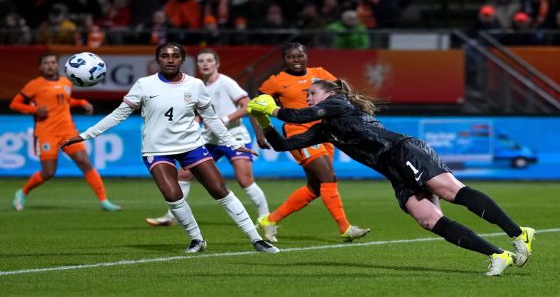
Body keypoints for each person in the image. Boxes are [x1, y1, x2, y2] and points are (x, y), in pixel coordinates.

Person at [247, 79, 535, 276]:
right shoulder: (326, 127)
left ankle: (518, 233)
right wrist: (263, 122)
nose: (308, 96)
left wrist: (270, 107)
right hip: (392, 170)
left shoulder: (340, 103)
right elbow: (284, 144)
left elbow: (298, 116)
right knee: (427, 219)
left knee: (449, 191)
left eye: (312, 93)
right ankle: (498, 255)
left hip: (403, 150)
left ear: (329, 94)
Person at [62, 42, 278, 254]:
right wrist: (86, 135)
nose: (170, 59)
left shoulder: (194, 85)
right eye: (165, 56)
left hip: (191, 146)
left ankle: (257, 240)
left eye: (175, 56)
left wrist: (233, 144)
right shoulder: (144, 84)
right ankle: (197, 239)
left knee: (219, 190)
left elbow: (211, 119)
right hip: (156, 149)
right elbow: (118, 114)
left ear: (182, 60)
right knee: (172, 194)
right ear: (157, 60)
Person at [254, 42, 370, 243]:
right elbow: (255, 106)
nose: (296, 60)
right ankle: (346, 228)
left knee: (316, 187)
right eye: (291, 57)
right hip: (299, 132)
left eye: (299, 56)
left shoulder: (320, 73)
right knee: (328, 177)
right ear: (284, 60)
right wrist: (260, 132)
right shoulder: (276, 81)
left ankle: (269, 220)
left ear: (306, 56)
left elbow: (340, 92)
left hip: (324, 132)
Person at [145, 47, 270, 226]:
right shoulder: (197, 85)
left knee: (245, 180)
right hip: (209, 139)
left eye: (209, 61)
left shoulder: (226, 82)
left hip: (234, 136)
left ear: (217, 64)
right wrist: (194, 124)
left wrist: (225, 119)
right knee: (184, 175)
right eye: (201, 61)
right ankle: (171, 217)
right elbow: (197, 111)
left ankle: (265, 218)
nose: (205, 64)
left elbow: (247, 105)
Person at [9, 53, 121, 212]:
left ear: (58, 65)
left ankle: (104, 201)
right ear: (40, 67)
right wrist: (34, 109)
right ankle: (23, 192)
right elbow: (14, 104)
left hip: (67, 130)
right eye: (46, 63)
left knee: (85, 162)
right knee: (48, 172)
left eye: (53, 62)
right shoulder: (34, 84)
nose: (50, 65)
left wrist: (81, 102)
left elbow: (64, 101)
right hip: (46, 132)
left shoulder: (66, 81)